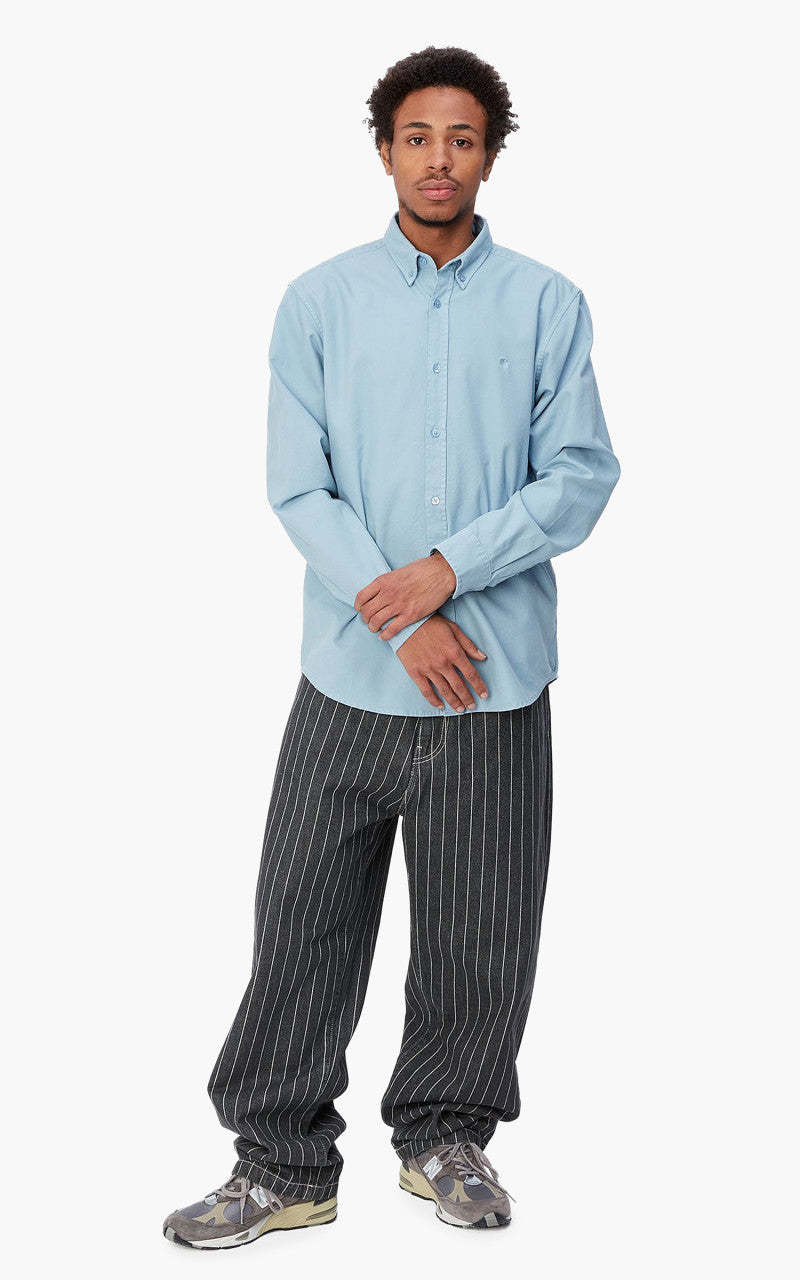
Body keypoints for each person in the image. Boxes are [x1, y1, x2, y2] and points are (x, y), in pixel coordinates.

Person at [162, 44, 621, 1247]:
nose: (437, 158)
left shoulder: (545, 303)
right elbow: (296, 484)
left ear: (488, 155)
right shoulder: (319, 301)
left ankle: (444, 1138)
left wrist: (449, 570)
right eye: (417, 136)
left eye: (461, 138)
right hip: (351, 674)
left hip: (491, 681)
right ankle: (279, 1165)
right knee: (301, 925)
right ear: (383, 150)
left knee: (480, 935)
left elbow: (579, 474)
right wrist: (406, 613)